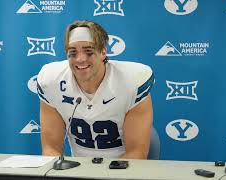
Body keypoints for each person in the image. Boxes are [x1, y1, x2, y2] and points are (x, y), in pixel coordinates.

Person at [37, 20, 154, 159]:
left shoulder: (131, 81)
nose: (80, 59)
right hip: (78, 169)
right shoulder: (51, 80)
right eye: (72, 53)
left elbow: (136, 153)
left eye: (89, 52)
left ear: (103, 52)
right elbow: (51, 148)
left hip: (122, 169)